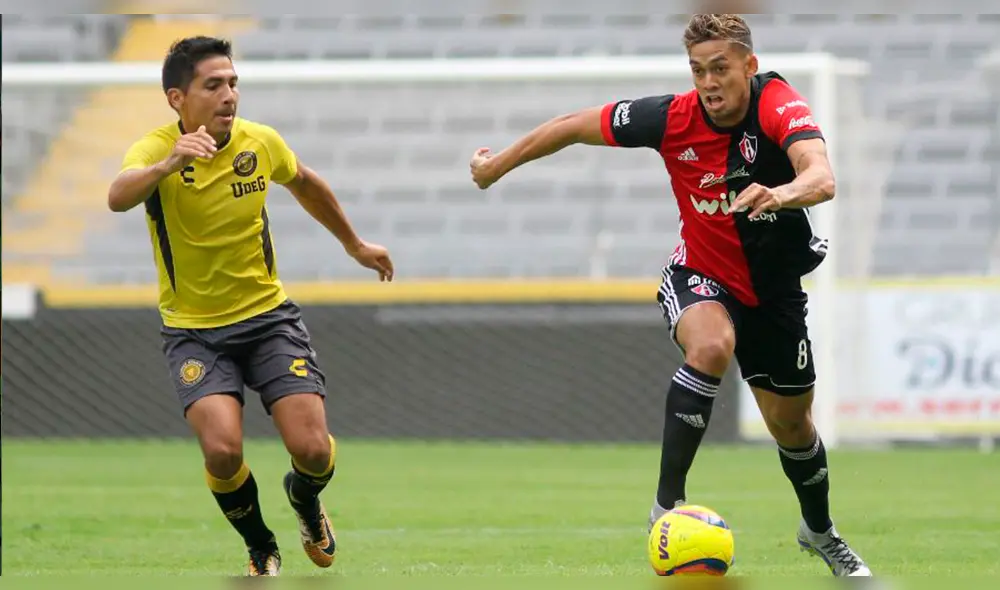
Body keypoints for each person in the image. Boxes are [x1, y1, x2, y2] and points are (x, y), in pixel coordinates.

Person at [469, 14, 871, 577]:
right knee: (709, 346)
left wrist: (779, 194)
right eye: (698, 70)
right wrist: (495, 167)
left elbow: (821, 176)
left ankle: (819, 531)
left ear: (749, 67)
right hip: (698, 274)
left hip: (773, 293)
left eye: (721, 69)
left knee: (794, 428)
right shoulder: (670, 117)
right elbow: (572, 124)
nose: (709, 82)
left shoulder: (778, 104)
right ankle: (666, 506)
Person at [108, 36, 394, 576]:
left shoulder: (258, 143)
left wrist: (355, 245)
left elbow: (305, 183)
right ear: (177, 98)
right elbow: (118, 195)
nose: (229, 94)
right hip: (194, 332)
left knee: (312, 450)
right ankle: (261, 543)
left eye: (234, 82)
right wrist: (168, 164)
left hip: (268, 320)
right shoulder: (155, 150)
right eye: (213, 85)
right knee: (222, 452)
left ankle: (305, 500)